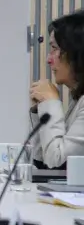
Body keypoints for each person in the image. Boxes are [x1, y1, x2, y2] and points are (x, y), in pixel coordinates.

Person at [30, 10, 84, 168]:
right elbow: (43, 164)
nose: (48, 59)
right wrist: (40, 110)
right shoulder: (78, 99)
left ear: (76, 53)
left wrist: (51, 103)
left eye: (54, 48)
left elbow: (58, 165)